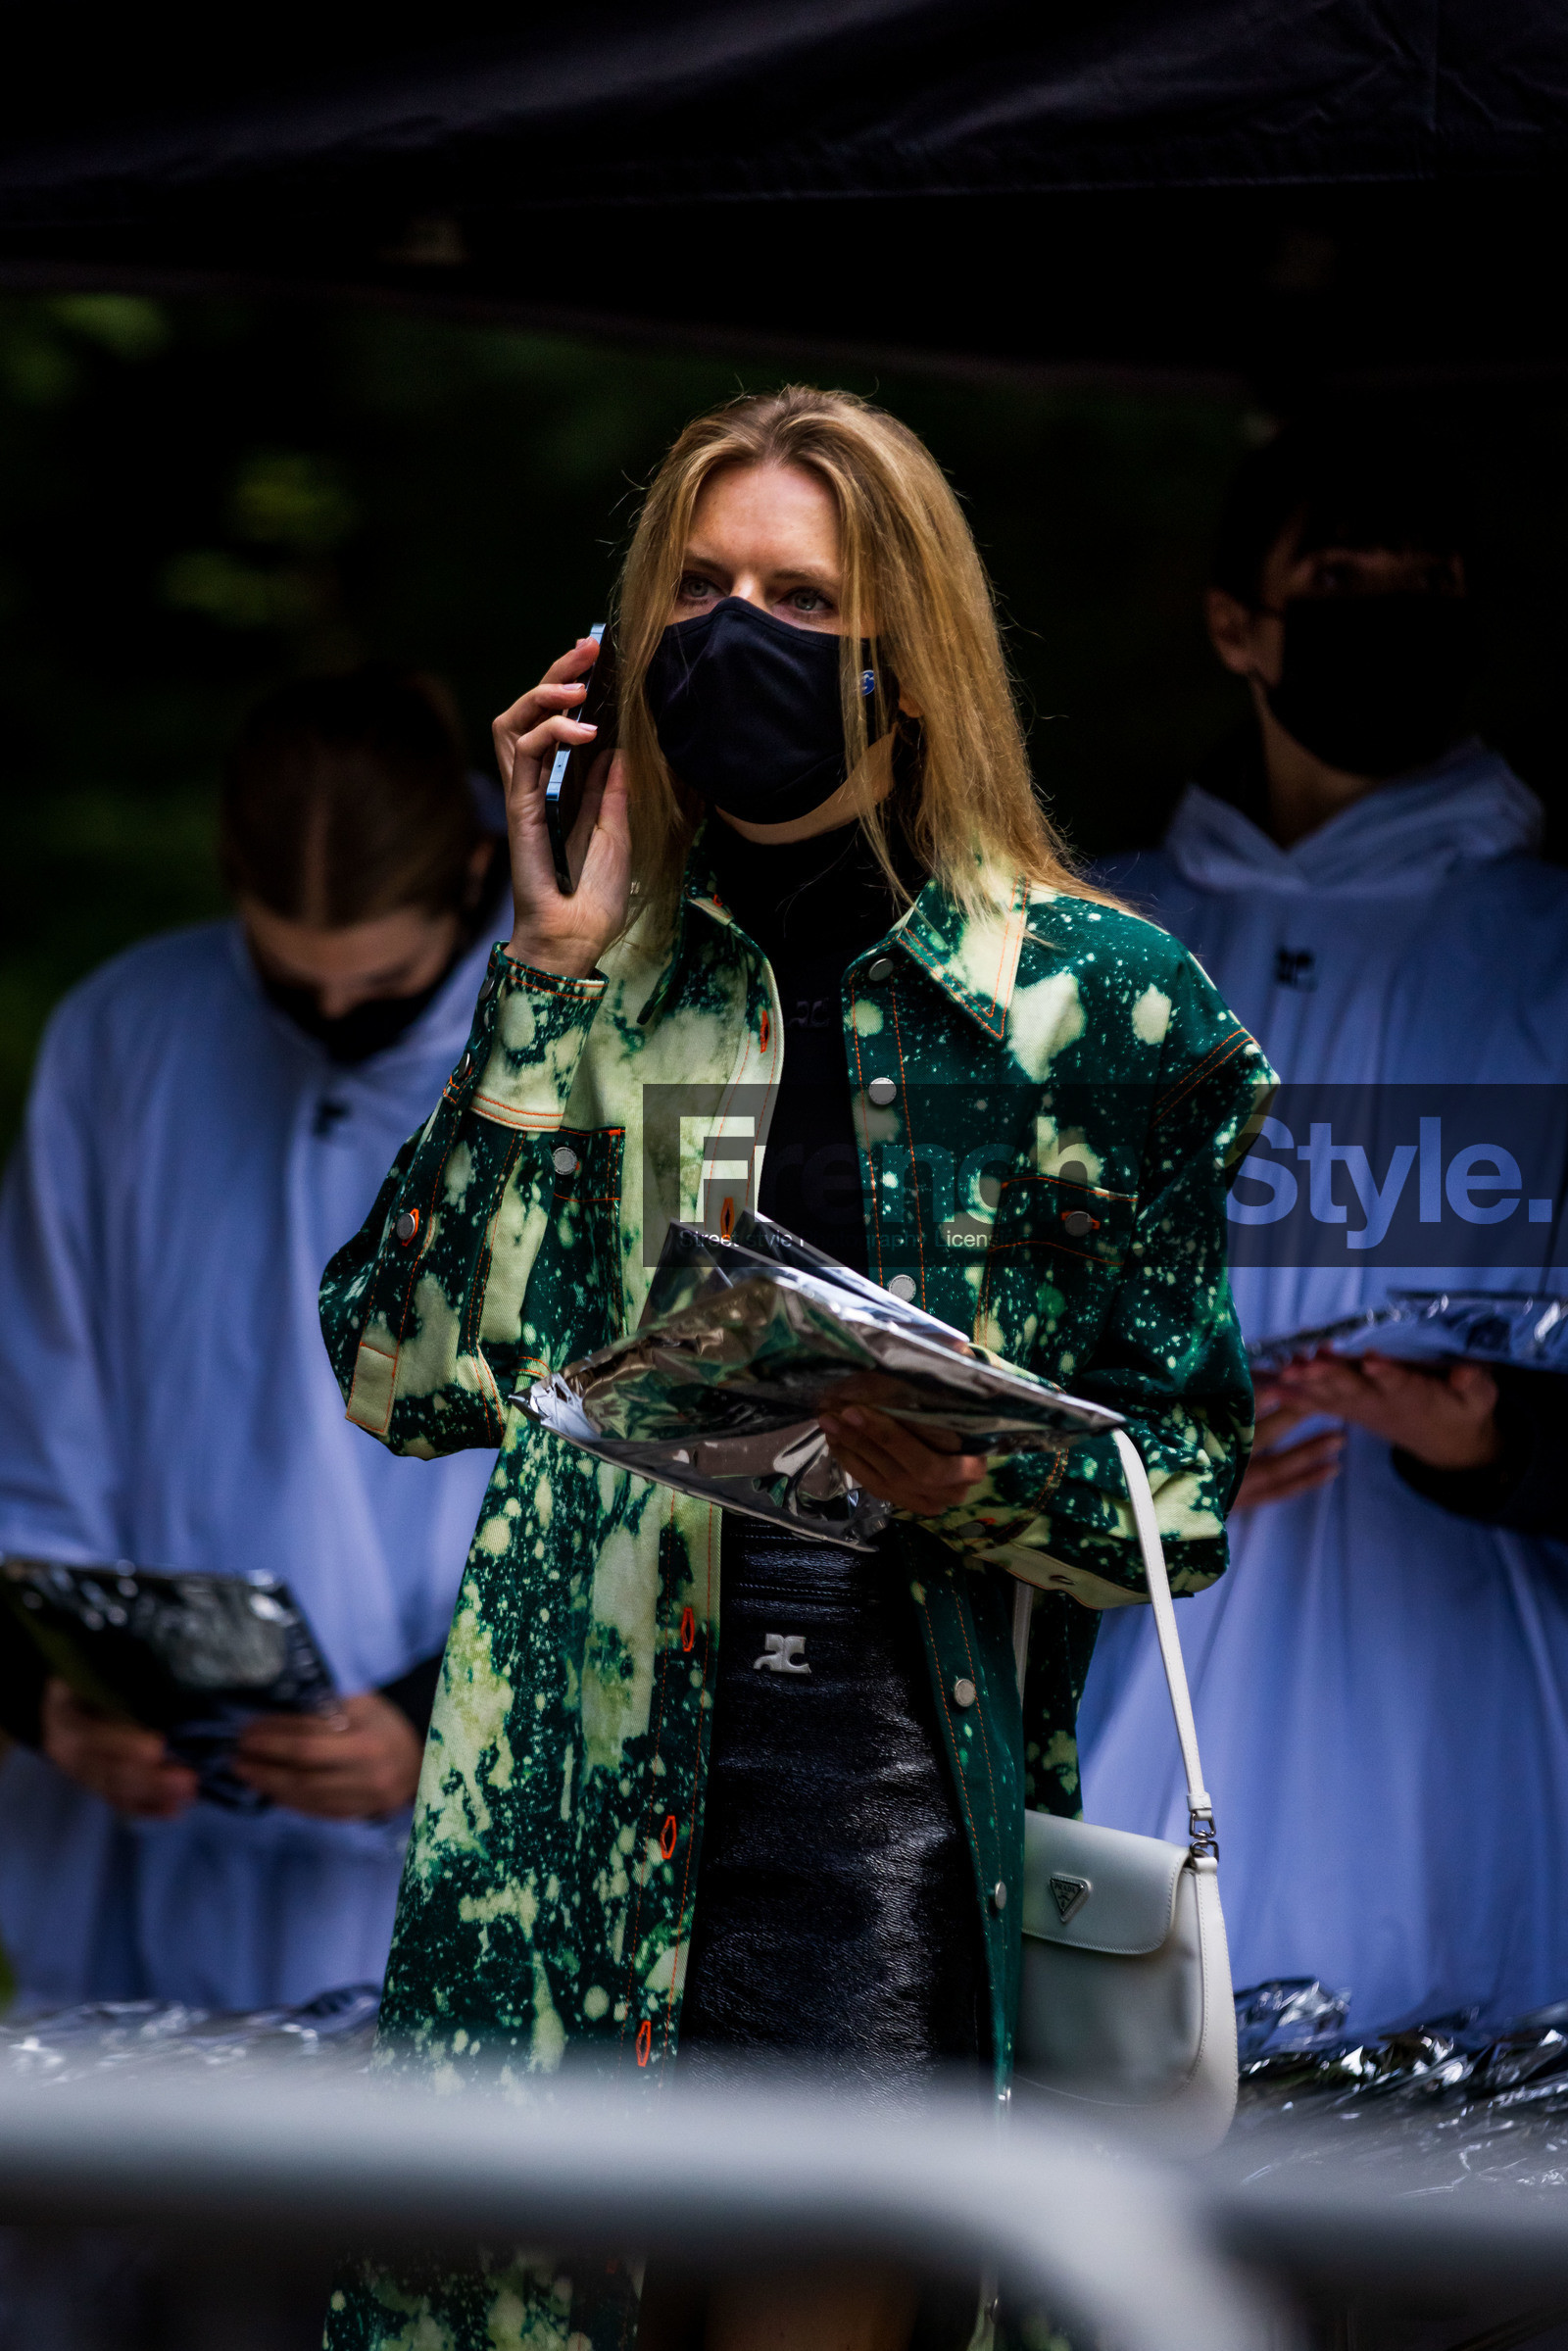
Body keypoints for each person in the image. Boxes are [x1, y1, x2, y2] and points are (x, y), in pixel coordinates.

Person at [318, 386, 1273, 2351]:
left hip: (872, 1800)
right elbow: (400, 1379)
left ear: (909, 653)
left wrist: (980, 1479)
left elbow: (1180, 1492)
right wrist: (538, 980)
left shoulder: (1089, 1003)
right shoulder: (606, 974)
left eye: (800, 597)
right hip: (569, 1808)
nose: (731, 633)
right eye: (694, 589)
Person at [1078, 416, 1568, 2037]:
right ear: (1237, 623)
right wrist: (1129, 1462)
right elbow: (973, 1329)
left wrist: (1500, 1441)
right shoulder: (1097, 942)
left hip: (1477, 1686)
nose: (1392, 616)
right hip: (1141, 1673)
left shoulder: (1550, 944)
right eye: (1344, 579)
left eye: (1429, 582)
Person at [0, 668, 508, 2013]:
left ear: (473, 874)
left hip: (464, 1839)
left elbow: (651, 1452)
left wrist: (442, 1711)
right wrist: (53, 1695)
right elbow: (38, 1416)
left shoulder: (593, 1045)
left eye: (383, 986)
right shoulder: (126, 1034)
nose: (333, 1021)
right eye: (292, 982)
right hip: (158, 1855)